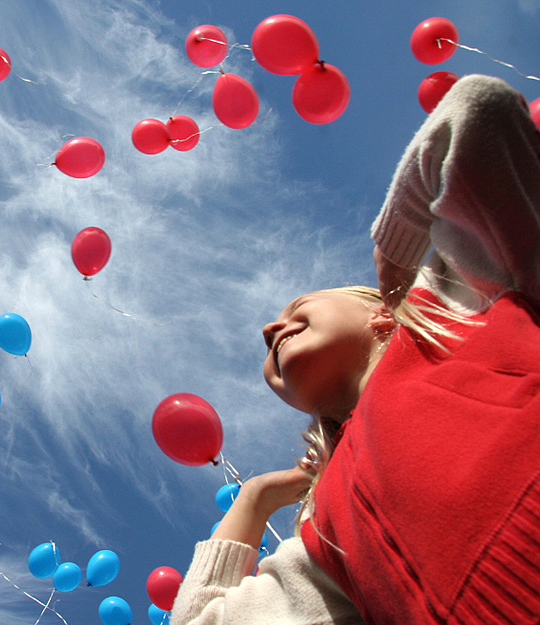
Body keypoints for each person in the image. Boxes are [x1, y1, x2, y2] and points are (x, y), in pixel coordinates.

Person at [170, 73, 540, 625]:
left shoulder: (457, 306)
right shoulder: (323, 533)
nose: (270, 331)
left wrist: (400, 242)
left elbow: (479, 114)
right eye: (273, 336)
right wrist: (255, 498)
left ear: (381, 313)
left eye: (297, 307)